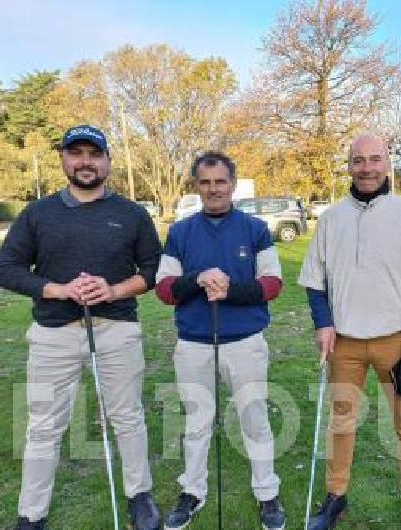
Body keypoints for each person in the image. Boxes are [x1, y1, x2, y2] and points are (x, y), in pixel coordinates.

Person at [0, 124, 163, 530]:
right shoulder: (37, 214)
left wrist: (112, 289)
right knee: (43, 425)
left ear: (107, 161)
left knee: (127, 417)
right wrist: (58, 289)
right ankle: (31, 514)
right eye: (76, 153)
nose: (85, 161)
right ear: (64, 160)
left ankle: (139, 495)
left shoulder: (132, 214)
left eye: (94, 154)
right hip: (53, 332)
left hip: (116, 325)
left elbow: (155, 270)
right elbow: (5, 270)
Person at [298, 134, 401, 530]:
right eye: (358, 160)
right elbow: (315, 280)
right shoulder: (330, 218)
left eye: (375, 159)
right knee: (341, 422)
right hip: (344, 342)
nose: (367, 167)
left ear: (388, 162)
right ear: (349, 165)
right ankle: (336, 496)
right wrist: (322, 322)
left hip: (397, 340)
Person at [154, 151, 286, 530]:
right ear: (196, 186)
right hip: (194, 343)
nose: (213, 189)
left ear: (232, 183)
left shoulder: (255, 228)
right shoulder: (180, 232)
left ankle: (267, 494)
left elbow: (273, 283)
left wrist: (229, 289)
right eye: (205, 182)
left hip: (244, 342)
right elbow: (164, 290)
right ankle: (193, 491)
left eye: (220, 181)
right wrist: (196, 279)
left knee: (254, 419)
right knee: (197, 422)